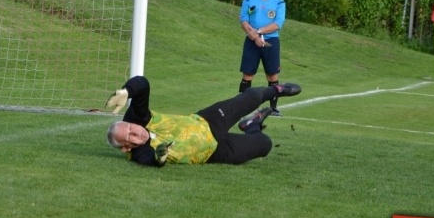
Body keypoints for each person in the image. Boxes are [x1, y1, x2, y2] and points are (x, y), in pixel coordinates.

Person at [105, 75, 301, 167]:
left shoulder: (138, 119)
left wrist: (127, 91)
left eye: (130, 127)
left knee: (250, 98)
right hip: (212, 152)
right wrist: (159, 157)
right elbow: (150, 160)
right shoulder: (140, 152)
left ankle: (276, 90)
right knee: (264, 145)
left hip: (207, 121)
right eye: (129, 136)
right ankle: (252, 126)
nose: (135, 131)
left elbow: (142, 83)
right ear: (125, 148)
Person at [238, 0, 286, 116]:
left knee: (272, 75)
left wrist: (258, 32)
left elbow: (278, 24)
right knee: (247, 74)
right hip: (251, 41)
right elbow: (243, 20)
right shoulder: (248, 0)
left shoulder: (279, 2)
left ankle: (273, 108)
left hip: (271, 41)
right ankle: (241, 107)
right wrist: (253, 36)